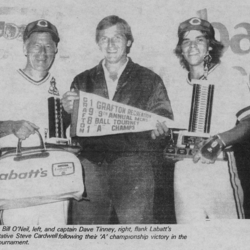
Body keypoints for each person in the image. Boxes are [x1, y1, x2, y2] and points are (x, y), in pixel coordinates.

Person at [62, 15, 173, 224]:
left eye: (117, 38)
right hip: (91, 164)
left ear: (129, 41)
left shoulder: (149, 79)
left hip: (134, 164)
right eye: (104, 39)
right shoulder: (82, 79)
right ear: (98, 43)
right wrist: (66, 111)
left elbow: (164, 122)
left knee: (137, 234)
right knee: (85, 234)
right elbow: (66, 129)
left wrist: (160, 132)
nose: (111, 44)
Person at [169, 17, 250, 223]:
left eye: (200, 40)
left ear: (210, 46)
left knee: (229, 237)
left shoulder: (230, 77)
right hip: (185, 171)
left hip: (219, 166)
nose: (193, 46)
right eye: (186, 41)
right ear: (181, 48)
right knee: (190, 237)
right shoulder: (174, 84)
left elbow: (248, 122)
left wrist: (219, 141)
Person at [0, 19, 70, 224]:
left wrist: (70, 115)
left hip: (55, 179)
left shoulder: (64, 85)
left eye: (48, 46)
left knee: (55, 239)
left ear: (56, 49)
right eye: (36, 45)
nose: (42, 52)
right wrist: (11, 126)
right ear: (24, 48)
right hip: (18, 176)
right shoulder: (5, 81)